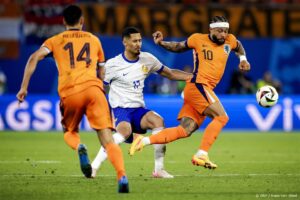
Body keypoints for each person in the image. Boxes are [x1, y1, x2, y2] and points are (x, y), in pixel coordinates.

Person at [16, 5, 129, 193]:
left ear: (63, 21)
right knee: (108, 140)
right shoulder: (94, 40)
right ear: (82, 21)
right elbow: (102, 71)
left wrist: (24, 87)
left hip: (71, 92)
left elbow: (33, 58)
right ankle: (122, 176)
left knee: (69, 131)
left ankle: (79, 147)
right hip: (94, 90)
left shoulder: (54, 40)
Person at [129, 16, 251, 170]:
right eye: (219, 30)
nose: (223, 34)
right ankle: (201, 154)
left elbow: (239, 46)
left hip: (202, 90)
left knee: (185, 129)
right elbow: (178, 46)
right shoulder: (197, 39)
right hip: (198, 85)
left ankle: (143, 141)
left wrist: (243, 59)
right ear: (211, 29)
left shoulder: (230, 40)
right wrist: (161, 43)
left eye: (225, 31)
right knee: (221, 117)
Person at [91, 27, 192, 178]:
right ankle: (94, 167)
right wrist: (103, 111)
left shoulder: (148, 59)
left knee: (158, 121)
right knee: (124, 132)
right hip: (120, 109)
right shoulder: (112, 65)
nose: (138, 44)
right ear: (125, 42)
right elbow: (101, 88)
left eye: (140, 40)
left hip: (138, 110)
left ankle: (158, 170)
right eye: (134, 41)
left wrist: (193, 77)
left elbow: (170, 73)